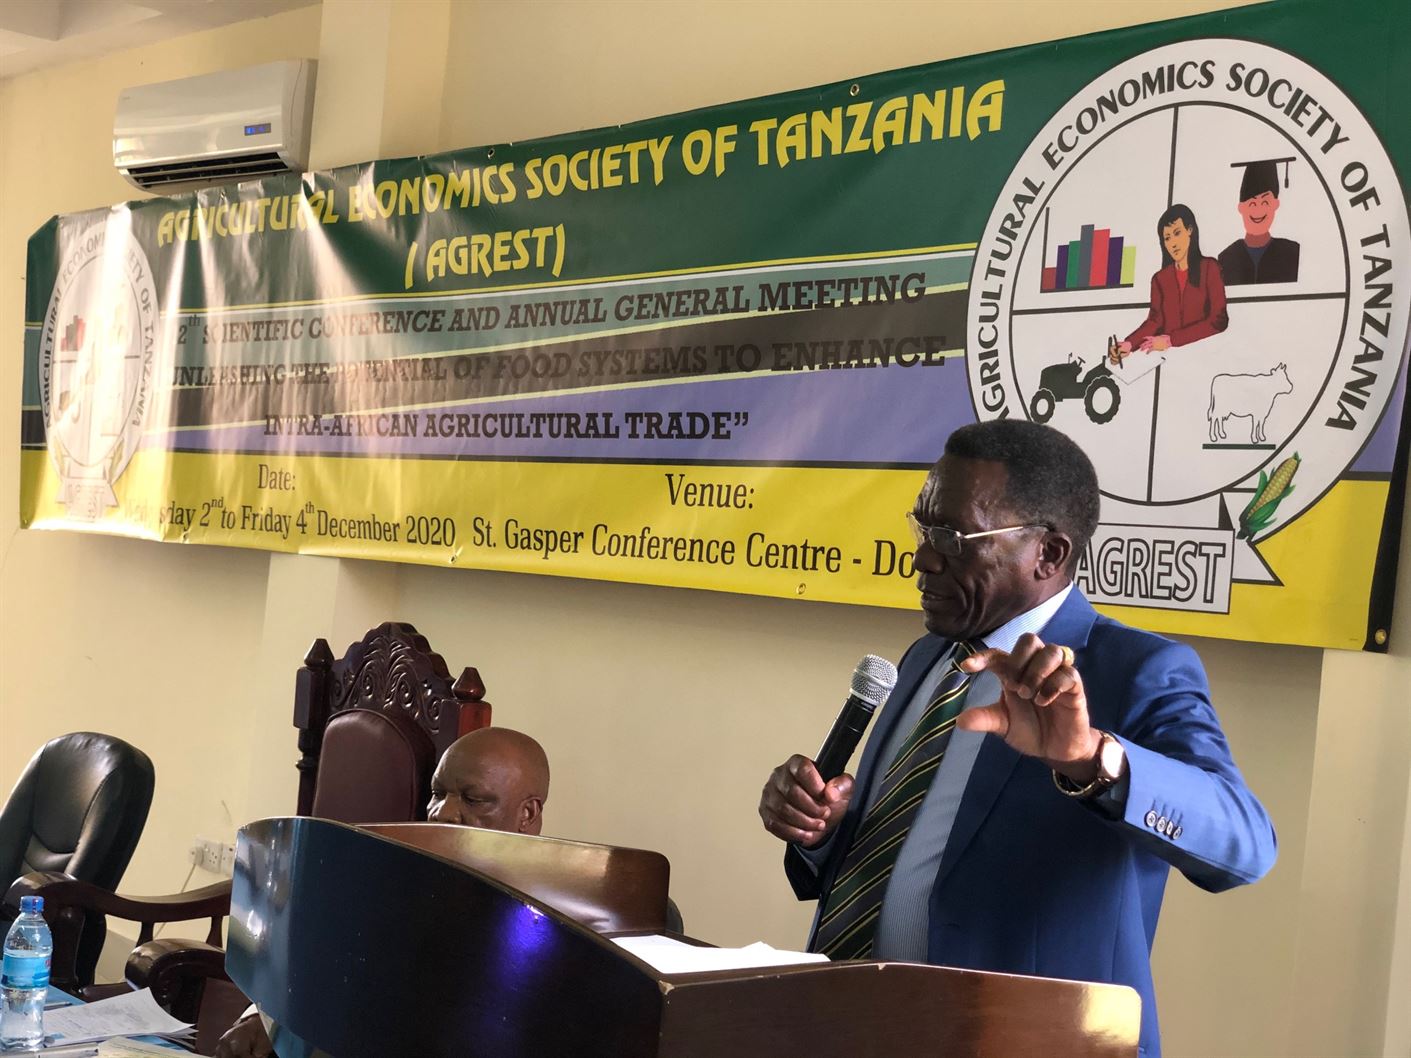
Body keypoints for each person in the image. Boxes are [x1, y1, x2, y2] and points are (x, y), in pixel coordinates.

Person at [758, 419, 1275, 1058]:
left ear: (1048, 554)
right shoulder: (927, 658)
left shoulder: (1136, 670)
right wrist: (823, 830)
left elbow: (1247, 845)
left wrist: (1092, 759)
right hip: (861, 1026)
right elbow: (903, 853)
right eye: (923, 527)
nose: (923, 557)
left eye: (953, 538)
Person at [216, 727, 550, 1058]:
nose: (442, 813)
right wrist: (264, 1021)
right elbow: (316, 964)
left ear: (528, 813)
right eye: (437, 794)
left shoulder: (552, 929)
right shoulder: (392, 880)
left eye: (473, 799)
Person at [1111, 203, 1228, 363]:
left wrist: (1171, 340)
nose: (1173, 243)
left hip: (1205, 356)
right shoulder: (1160, 279)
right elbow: (1155, 321)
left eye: (1177, 233)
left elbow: (1218, 321)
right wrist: (1130, 344)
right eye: (1167, 238)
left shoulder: (1210, 268)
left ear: (1190, 230)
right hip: (1169, 360)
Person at [1217, 158, 1301, 285]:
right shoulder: (1226, 258)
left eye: (1265, 202)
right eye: (1252, 204)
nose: (1258, 210)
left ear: (1275, 205)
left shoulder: (1291, 253)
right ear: (1241, 208)